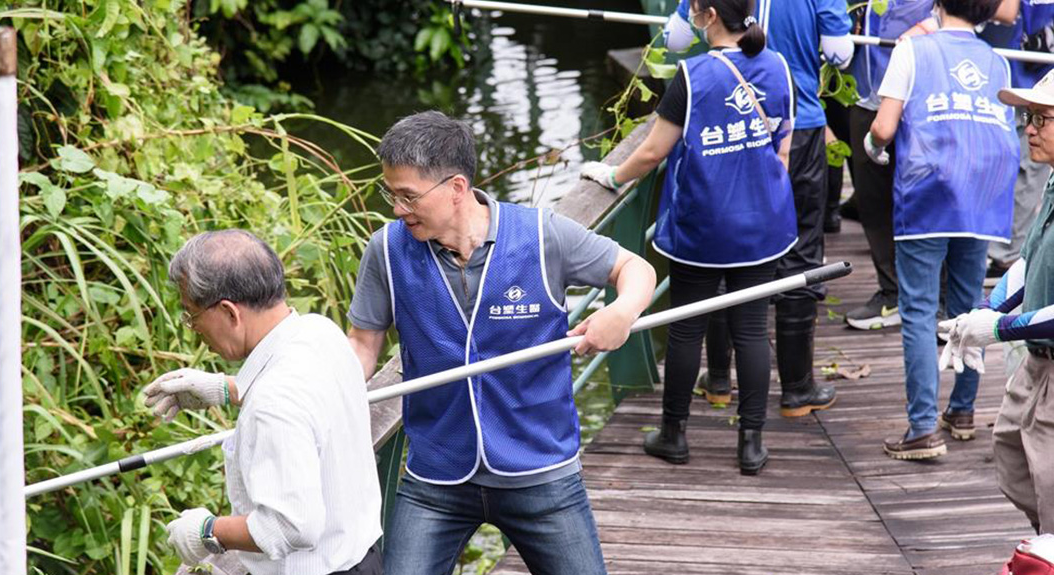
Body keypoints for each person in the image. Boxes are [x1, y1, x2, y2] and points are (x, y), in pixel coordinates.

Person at [346, 111, 656, 575]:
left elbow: (635, 269)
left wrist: (622, 311)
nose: (396, 209)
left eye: (407, 196)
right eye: (391, 194)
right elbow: (362, 347)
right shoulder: (386, 250)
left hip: (541, 470)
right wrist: (318, 388)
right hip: (437, 475)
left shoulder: (540, 233)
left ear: (455, 188)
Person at [583, 0, 796, 475]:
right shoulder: (777, 64)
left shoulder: (692, 75)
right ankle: (751, 443)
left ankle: (674, 434)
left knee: (685, 329)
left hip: (702, 224)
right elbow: (783, 145)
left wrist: (612, 176)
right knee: (751, 330)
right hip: (763, 224)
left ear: (711, 14)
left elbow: (652, 153)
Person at [140, 230, 382, 574]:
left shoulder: (274, 402)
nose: (194, 328)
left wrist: (208, 531)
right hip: (364, 559)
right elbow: (307, 398)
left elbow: (291, 525)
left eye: (192, 315)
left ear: (229, 312)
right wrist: (228, 389)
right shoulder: (321, 331)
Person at [663, 0, 853, 418]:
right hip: (793, 127)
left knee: (718, 250)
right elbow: (841, 53)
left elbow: (674, 40)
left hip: (719, 124)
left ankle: (717, 380)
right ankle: (796, 389)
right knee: (800, 253)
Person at [863, 0, 1020, 459]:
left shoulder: (912, 50)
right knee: (971, 306)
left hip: (927, 195)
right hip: (982, 198)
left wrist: (872, 148)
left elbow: (884, 127)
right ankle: (964, 411)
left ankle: (921, 429)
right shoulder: (998, 62)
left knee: (917, 310)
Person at [847, 0, 1020, 330]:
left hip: (937, 90)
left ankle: (943, 307)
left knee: (941, 201)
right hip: (872, 92)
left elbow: (1004, 10)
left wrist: (932, 24)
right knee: (875, 203)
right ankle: (892, 292)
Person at [940, 67, 1054, 534]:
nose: (1029, 128)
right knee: (1012, 460)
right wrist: (985, 312)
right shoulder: (1051, 182)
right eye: (1027, 117)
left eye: (1042, 118)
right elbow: (1029, 260)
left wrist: (1000, 330)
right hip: (1037, 364)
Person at [981, 2, 1054, 277]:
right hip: (1014, 74)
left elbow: (1008, 10)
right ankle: (1006, 254)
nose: (1034, 129)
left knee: (1030, 169)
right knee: (1014, 166)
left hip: (1035, 72)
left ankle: (1006, 255)